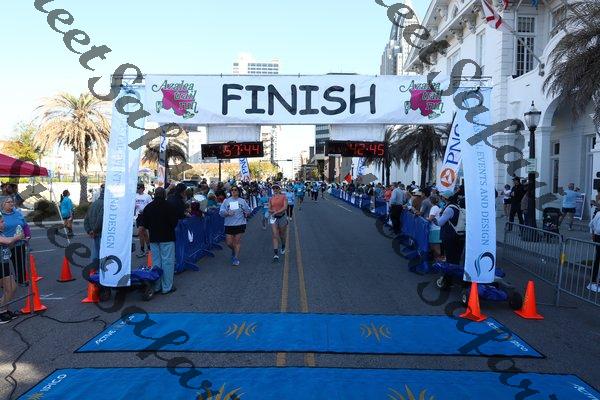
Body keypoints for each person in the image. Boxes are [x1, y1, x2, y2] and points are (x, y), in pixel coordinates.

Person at [141, 187, 179, 294]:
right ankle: (167, 286)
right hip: (167, 237)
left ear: (154, 194)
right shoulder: (170, 206)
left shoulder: (148, 207)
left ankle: (157, 285)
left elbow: (145, 224)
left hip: (154, 237)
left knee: (156, 262)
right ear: (164, 195)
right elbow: (174, 222)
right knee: (167, 262)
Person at [1, 196, 30, 286]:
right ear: (3, 204)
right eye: (8, 202)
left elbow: (25, 225)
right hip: (4, 244)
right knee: (3, 265)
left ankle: (21, 280)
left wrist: (28, 236)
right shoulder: (1, 215)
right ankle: (3, 282)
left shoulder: (17, 213)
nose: (11, 203)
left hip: (18, 243)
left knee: (20, 263)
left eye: (12, 202)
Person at [0, 216, 25, 323]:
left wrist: (15, 239)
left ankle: (4, 310)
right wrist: (17, 237)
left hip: (4, 264)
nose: (3, 223)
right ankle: (1, 311)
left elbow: (8, 245)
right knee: (10, 288)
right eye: (1, 222)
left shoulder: (2, 233)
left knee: (11, 288)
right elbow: (8, 241)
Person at [219, 186, 251, 266]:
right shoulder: (226, 201)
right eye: (232, 190)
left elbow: (248, 210)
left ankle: (235, 258)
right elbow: (221, 212)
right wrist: (227, 213)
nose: (233, 191)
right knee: (229, 243)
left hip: (240, 224)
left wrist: (247, 213)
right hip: (229, 224)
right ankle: (234, 250)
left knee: (237, 242)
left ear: (238, 191)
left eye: (235, 190)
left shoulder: (242, 201)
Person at [436, 190, 465, 265]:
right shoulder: (457, 206)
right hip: (459, 235)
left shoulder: (449, 209)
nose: (441, 198)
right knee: (456, 258)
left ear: (445, 198)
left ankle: (450, 272)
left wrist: (435, 219)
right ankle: (455, 271)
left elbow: (440, 223)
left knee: (450, 258)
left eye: (442, 196)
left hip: (450, 236)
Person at [84, 185, 104, 268]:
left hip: (95, 232)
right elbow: (100, 219)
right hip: (100, 232)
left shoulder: (93, 204)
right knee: (101, 253)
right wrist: (94, 231)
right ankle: (99, 271)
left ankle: (94, 270)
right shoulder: (105, 204)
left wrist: (89, 231)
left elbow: (86, 219)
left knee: (95, 251)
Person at [268, 184, 288, 261]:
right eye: (274, 188)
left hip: (282, 217)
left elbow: (285, 207)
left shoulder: (284, 197)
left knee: (282, 235)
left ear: (279, 189)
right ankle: (276, 254)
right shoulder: (271, 198)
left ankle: (283, 245)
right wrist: (272, 211)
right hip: (274, 218)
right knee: (275, 235)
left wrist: (277, 212)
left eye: (276, 188)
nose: (275, 190)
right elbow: (269, 208)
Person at [134, 183, 153, 258]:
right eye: (137, 188)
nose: (138, 190)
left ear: (143, 189)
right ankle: (149, 248)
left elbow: (151, 206)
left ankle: (142, 250)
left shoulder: (147, 196)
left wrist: (145, 211)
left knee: (140, 232)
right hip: (138, 216)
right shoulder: (135, 196)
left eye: (139, 188)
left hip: (145, 216)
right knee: (144, 233)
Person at [427, 195, 443, 261]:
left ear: (430, 201)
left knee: (436, 248)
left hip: (435, 229)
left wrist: (426, 218)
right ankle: (437, 261)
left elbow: (430, 218)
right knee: (434, 247)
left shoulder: (434, 208)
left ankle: (438, 262)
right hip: (437, 229)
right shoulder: (438, 207)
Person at [588, 210, 600, 292]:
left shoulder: (598, 213)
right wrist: (593, 237)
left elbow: (591, 225)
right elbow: (596, 228)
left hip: (597, 237)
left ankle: (594, 281)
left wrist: (593, 237)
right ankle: (592, 282)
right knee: (597, 260)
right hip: (598, 237)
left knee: (597, 259)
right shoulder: (599, 214)